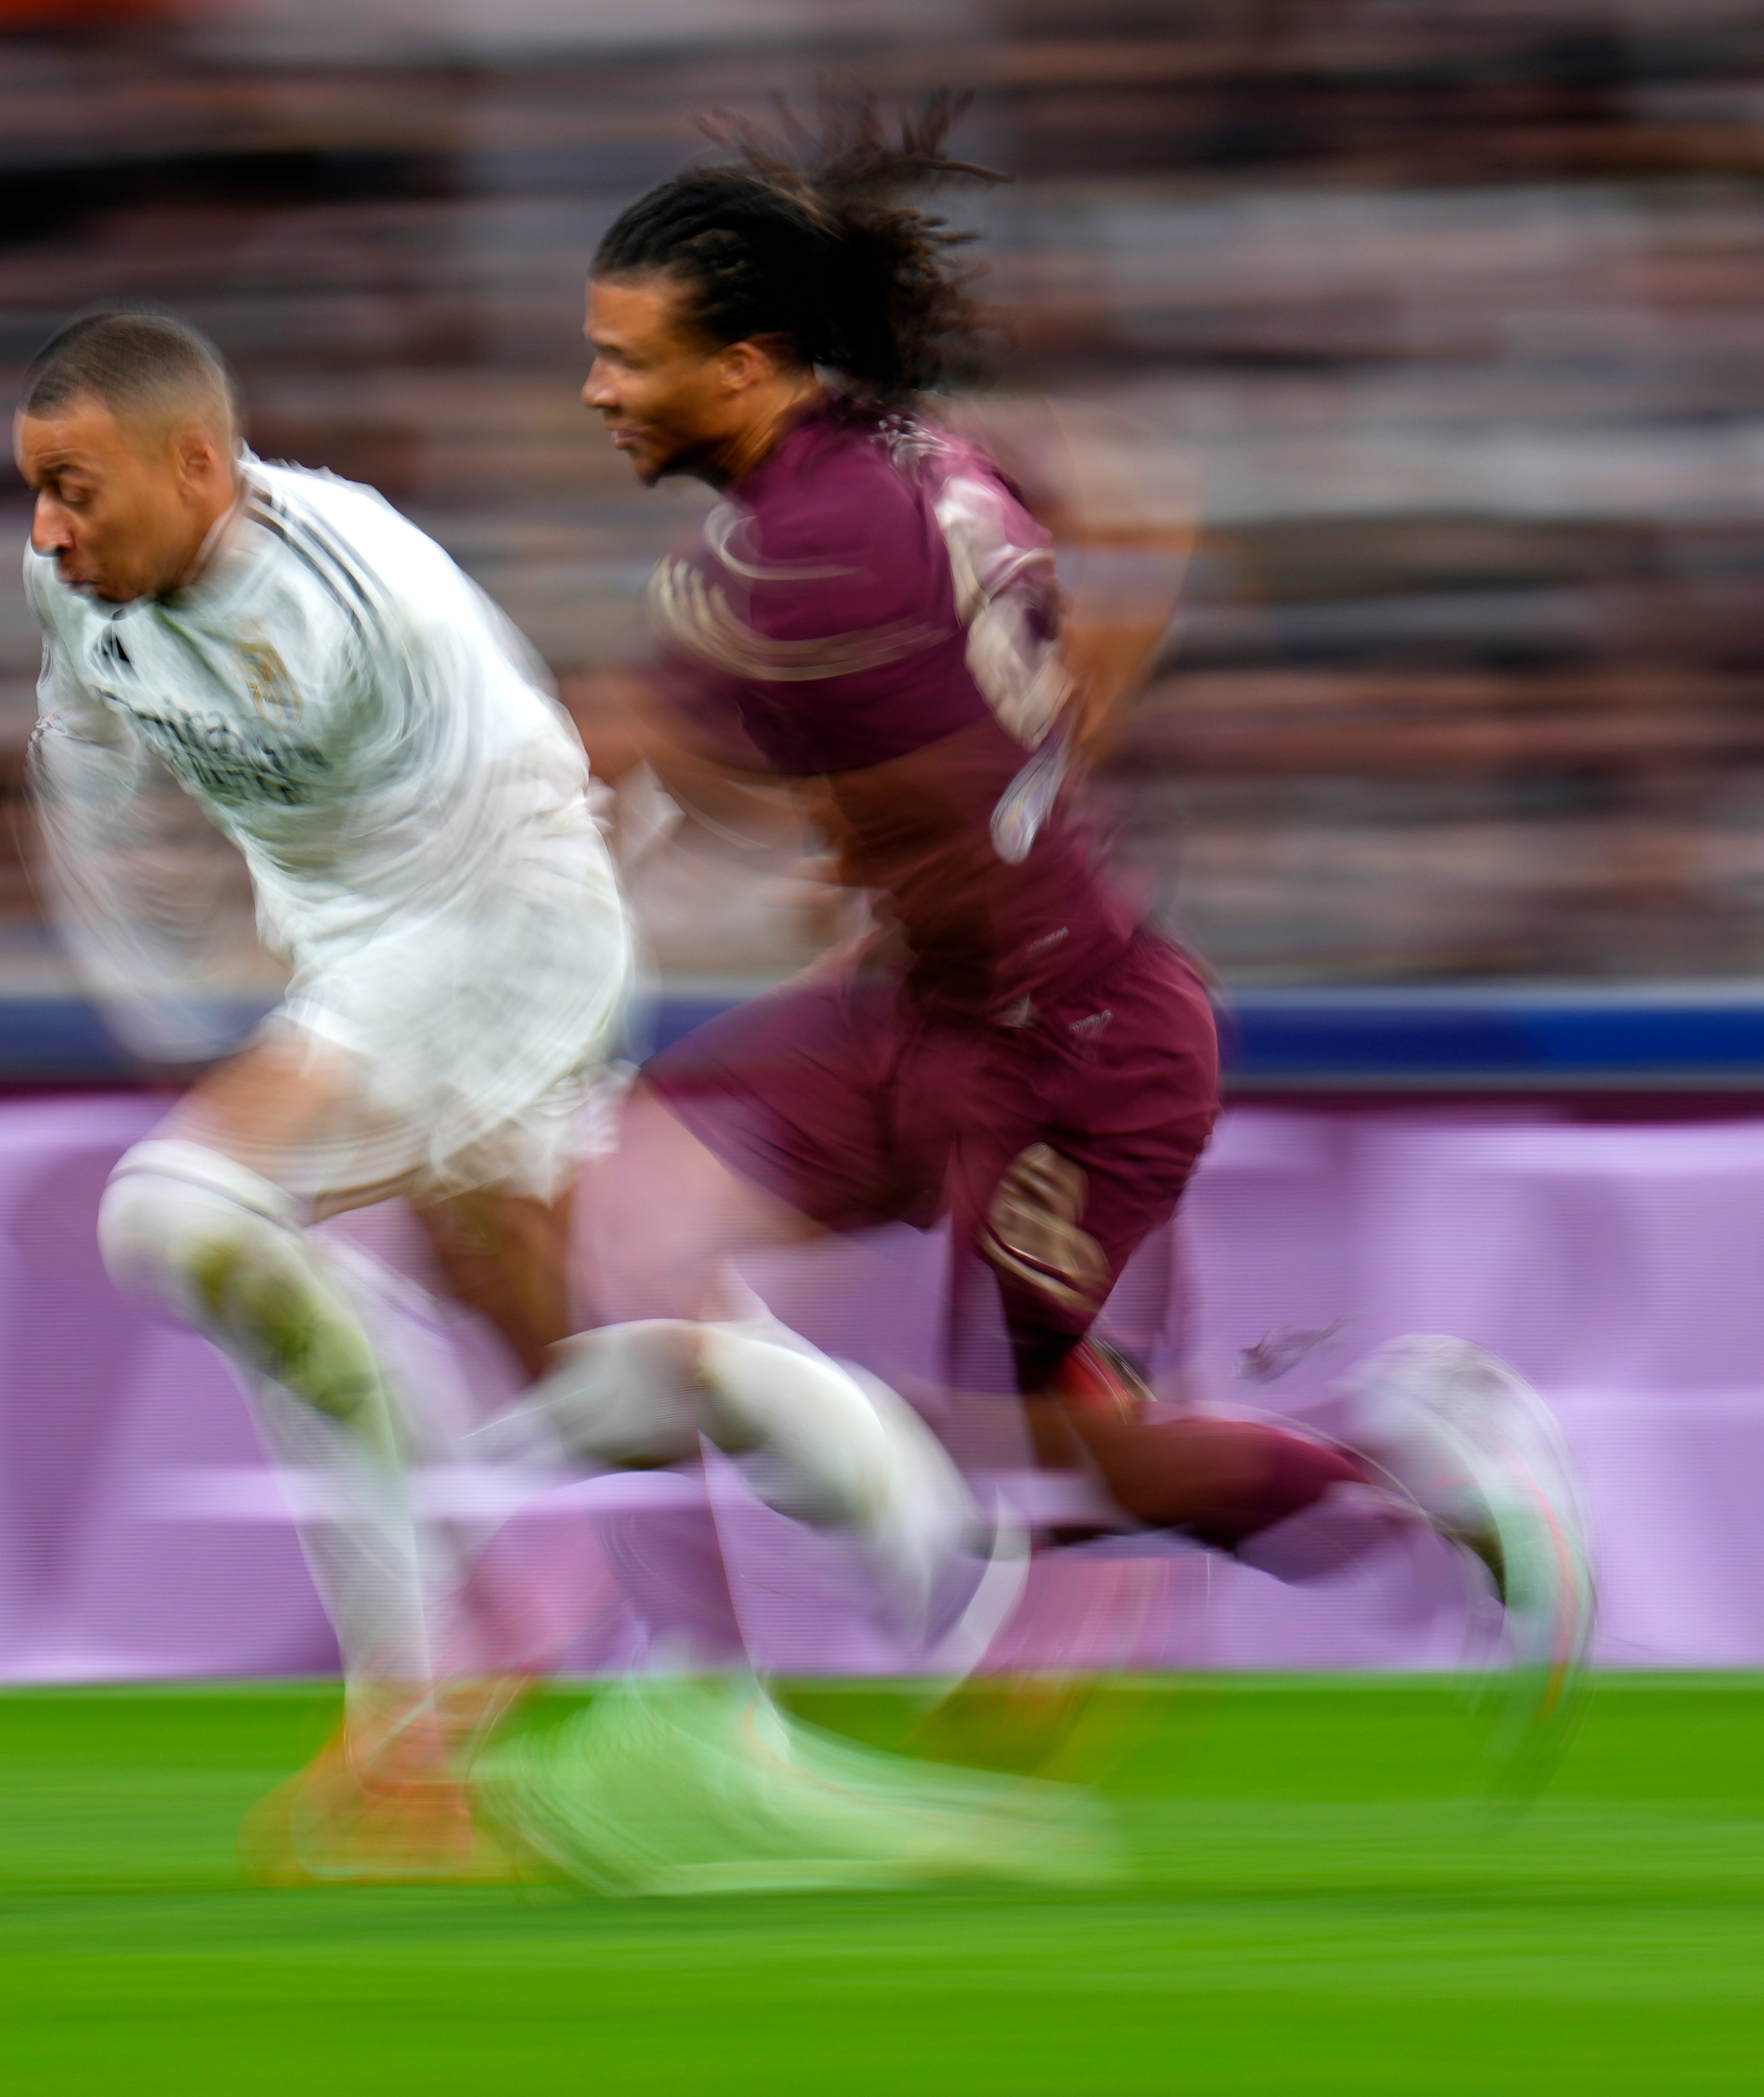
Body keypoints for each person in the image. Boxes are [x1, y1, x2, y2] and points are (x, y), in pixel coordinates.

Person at [500, 107, 1591, 1871]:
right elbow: (1127, 488)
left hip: (1068, 1047)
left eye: (628, 361)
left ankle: (1425, 1477)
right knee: (628, 1232)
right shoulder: (915, 448)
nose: (598, 394)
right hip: (929, 999)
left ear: (752, 363)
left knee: (1069, 1471)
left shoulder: (796, 568)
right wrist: (1029, 755)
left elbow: (652, 779)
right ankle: (714, 1719)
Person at [18, 307, 964, 1881]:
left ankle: (432, 1702)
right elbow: (90, 761)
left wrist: (310, 1088)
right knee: (580, 1354)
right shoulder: (85, 578)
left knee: (182, 1214)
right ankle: (932, 1538)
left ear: (199, 464)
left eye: (75, 490)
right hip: (371, 945)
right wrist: (160, 987)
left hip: (509, 919)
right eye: (35, 492)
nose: (49, 530)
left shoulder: (354, 597)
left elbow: (490, 867)